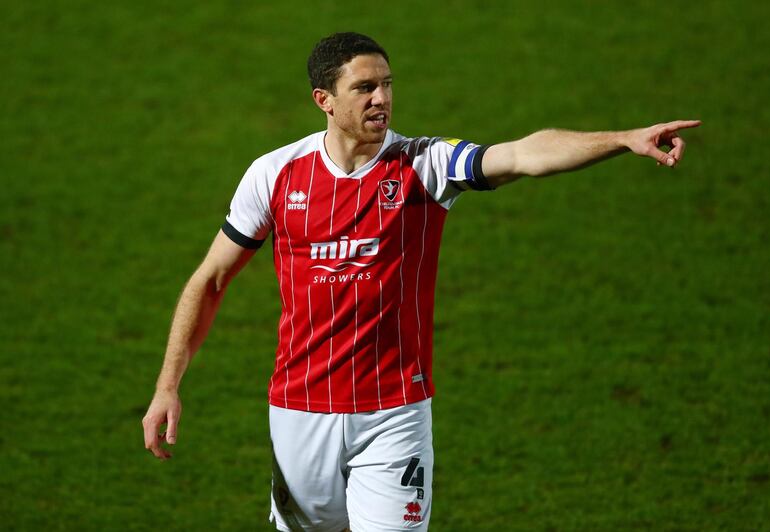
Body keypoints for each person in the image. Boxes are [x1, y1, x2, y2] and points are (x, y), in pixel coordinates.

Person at [142, 32, 700, 531]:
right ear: (324, 101)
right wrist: (168, 384)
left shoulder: (424, 164)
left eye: (386, 84)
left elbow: (524, 154)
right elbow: (211, 279)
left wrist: (623, 138)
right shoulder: (274, 174)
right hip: (299, 408)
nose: (381, 98)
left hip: (395, 413)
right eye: (364, 88)